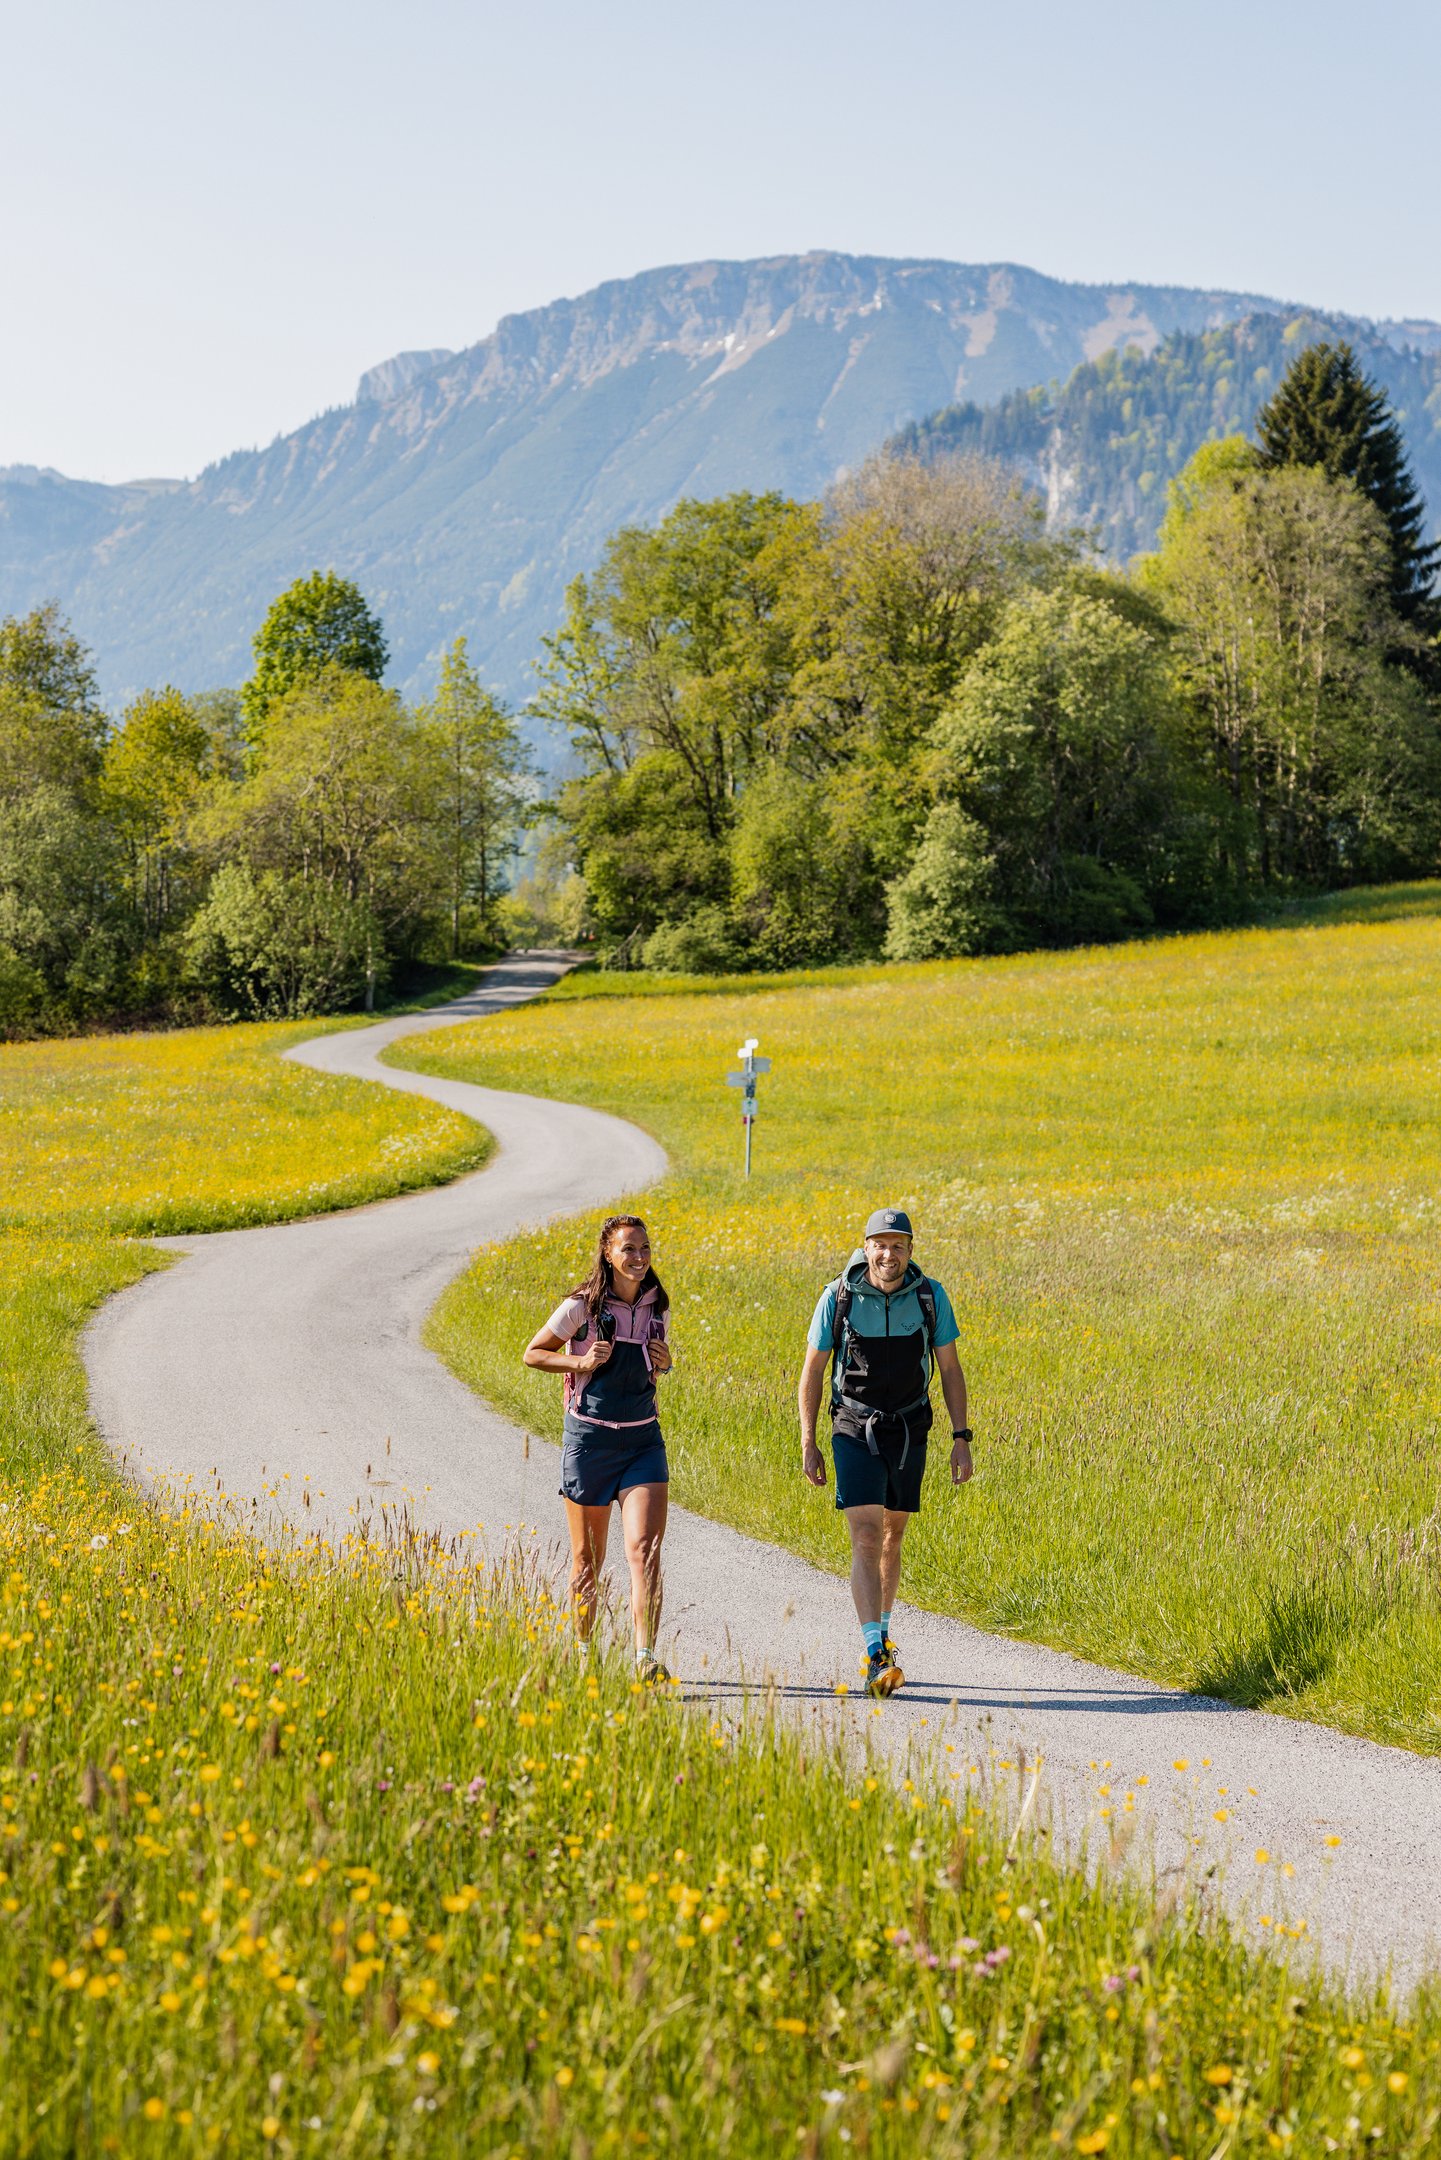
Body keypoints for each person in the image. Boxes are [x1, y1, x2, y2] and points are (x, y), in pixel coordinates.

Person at [798, 1207, 972, 1697]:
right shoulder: (839, 1296)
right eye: (880, 1244)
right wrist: (809, 1441)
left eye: (898, 1245)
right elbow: (812, 1370)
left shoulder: (930, 1296)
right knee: (868, 1534)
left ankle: (883, 1631)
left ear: (910, 1250)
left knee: (894, 1534)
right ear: (866, 1246)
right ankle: (876, 1653)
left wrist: (962, 1438)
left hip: (911, 1426)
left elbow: (951, 1370)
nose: (888, 1254)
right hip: (854, 1424)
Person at [523, 1213, 674, 1682]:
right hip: (589, 1443)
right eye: (628, 1248)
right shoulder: (582, 1307)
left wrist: (665, 1362)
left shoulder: (658, 1305)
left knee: (645, 1551)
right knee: (588, 1560)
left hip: (642, 1442)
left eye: (644, 1247)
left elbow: (654, 1367)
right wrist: (580, 1359)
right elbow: (534, 1352)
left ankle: (644, 1658)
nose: (639, 1257)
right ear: (607, 1254)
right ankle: (583, 1652)